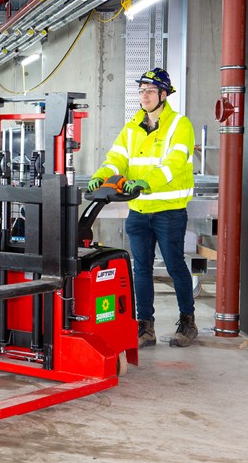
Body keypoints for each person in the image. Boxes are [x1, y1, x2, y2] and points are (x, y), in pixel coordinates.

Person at [87, 68, 196, 348]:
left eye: (149, 91)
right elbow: (116, 158)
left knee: (175, 267)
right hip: (138, 211)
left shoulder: (180, 125)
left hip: (169, 210)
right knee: (141, 269)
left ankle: (188, 322)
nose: (143, 96)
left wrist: (145, 182)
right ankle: (145, 326)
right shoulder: (132, 127)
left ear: (163, 94)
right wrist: (103, 175)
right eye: (141, 91)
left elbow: (173, 164)